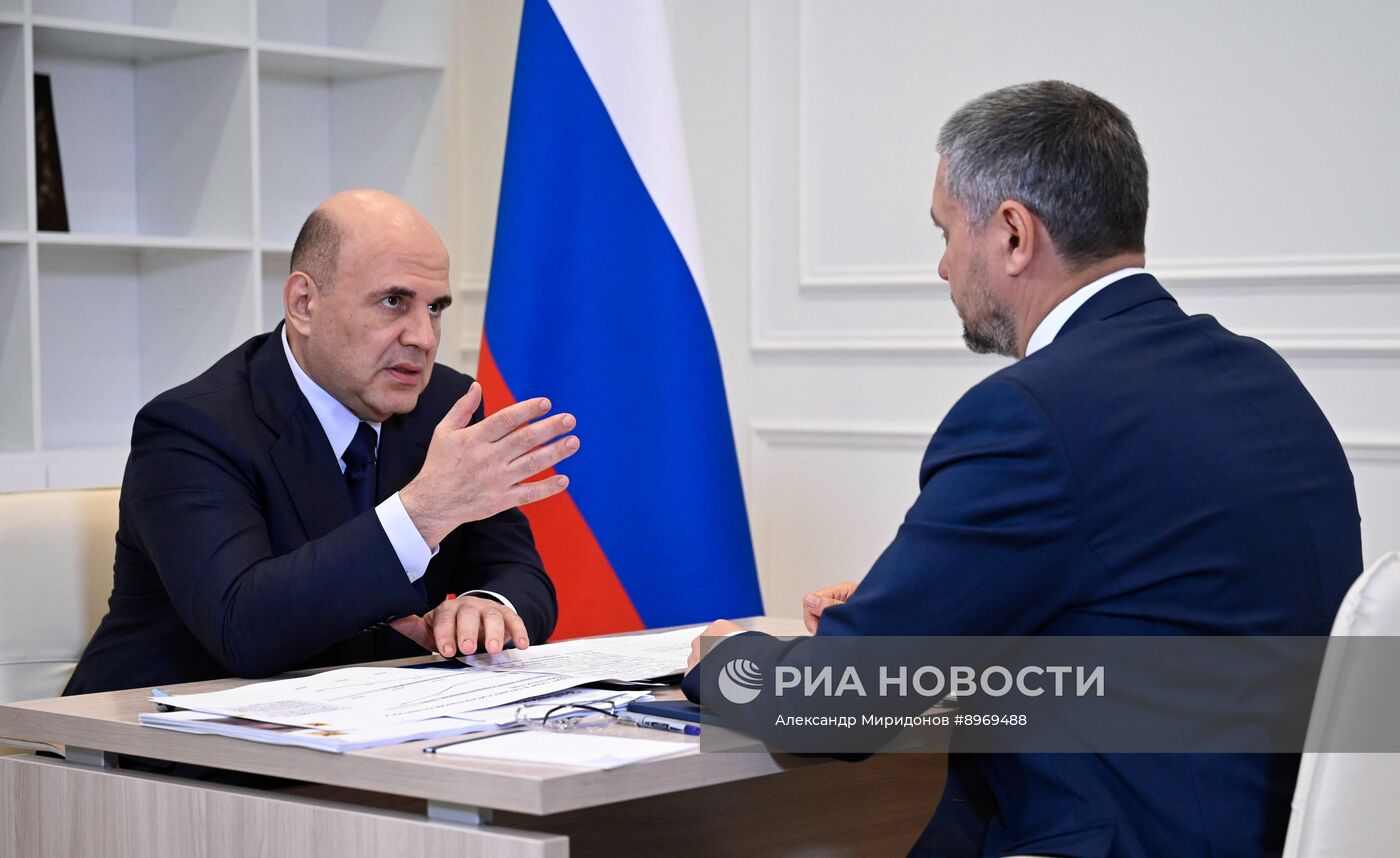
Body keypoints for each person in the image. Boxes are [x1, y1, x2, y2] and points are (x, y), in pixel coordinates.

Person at [686, 81, 1362, 857]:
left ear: (1013, 234)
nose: (943, 267)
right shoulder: (1265, 381)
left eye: (946, 232)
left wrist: (728, 659)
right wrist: (914, 609)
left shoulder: (1031, 414)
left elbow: (840, 706)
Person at [66, 189, 579, 696]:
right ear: (304, 304)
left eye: (435, 308)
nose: (423, 337)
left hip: (366, 723)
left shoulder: (446, 406)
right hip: (149, 732)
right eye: (394, 302)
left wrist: (488, 607)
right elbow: (242, 628)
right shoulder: (191, 428)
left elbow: (517, 572)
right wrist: (420, 515)